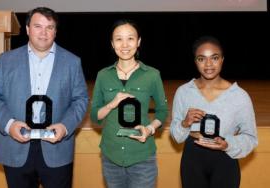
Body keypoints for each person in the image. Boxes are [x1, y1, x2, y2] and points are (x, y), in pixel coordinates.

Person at [0, 7, 88, 188]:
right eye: (38, 26)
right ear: (27, 29)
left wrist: (64, 126)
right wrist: (9, 125)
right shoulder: (6, 60)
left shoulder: (72, 62)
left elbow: (81, 100)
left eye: (50, 27)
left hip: (56, 147)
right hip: (15, 145)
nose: (44, 33)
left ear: (55, 31)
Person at [170, 36, 258, 188]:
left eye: (214, 58)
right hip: (192, 160)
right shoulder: (184, 92)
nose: (208, 64)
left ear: (222, 60)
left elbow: (251, 138)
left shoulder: (239, 96)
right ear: (195, 61)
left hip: (225, 161)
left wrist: (227, 144)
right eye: (201, 59)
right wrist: (185, 123)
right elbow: (177, 136)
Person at [90, 19, 168, 188]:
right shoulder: (103, 75)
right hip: (111, 157)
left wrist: (149, 129)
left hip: (142, 157)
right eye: (118, 39)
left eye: (130, 38)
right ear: (112, 43)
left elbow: (162, 111)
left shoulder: (152, 75)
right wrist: (112, 103)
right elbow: (95, 116)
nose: (124, 44)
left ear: (138, 42)